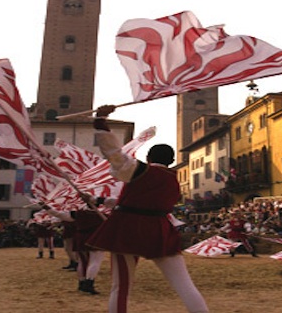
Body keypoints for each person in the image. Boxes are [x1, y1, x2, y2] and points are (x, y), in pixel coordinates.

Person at [86, 105, 209, 313]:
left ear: (149, 158)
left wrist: (101, 120)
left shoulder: (139, 170)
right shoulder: (173, 180)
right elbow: (129, 200)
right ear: (171, 161)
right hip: (161, 229)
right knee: (184, 285)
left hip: (129, 229)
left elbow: (113, 153)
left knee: (121, 287)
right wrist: (95, 199)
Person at [39, 200, 106, 295]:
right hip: (96, 238)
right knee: (95, 261)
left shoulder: (78, 213)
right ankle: (89, 283)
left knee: (82, 261)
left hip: (81, 237)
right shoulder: (103, 215)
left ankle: (82, 282)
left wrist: (47, 208)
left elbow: (59, 215)